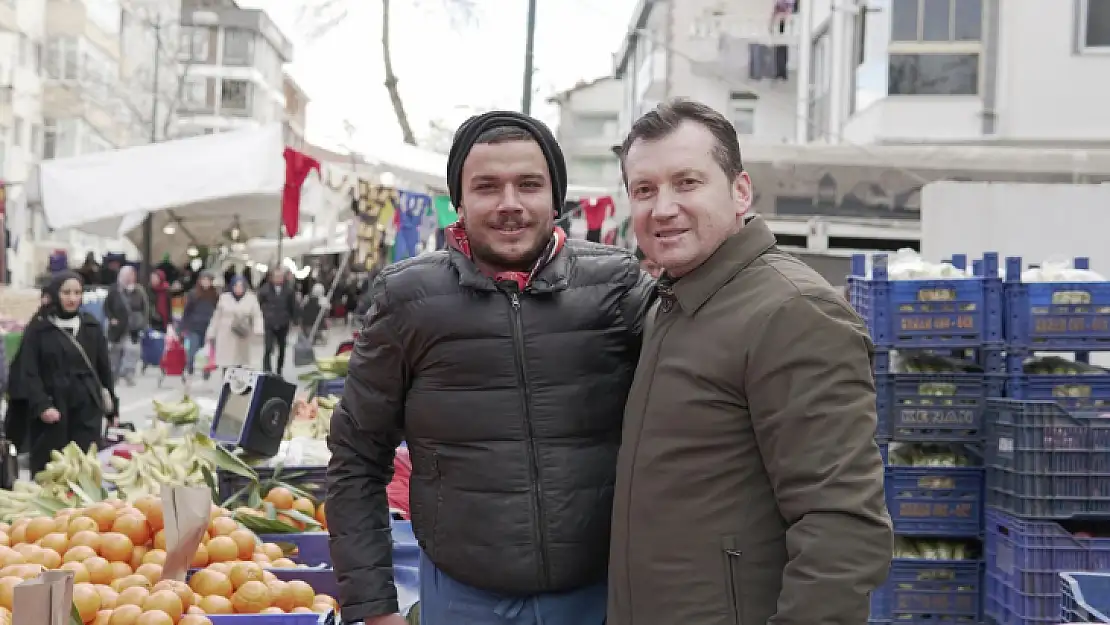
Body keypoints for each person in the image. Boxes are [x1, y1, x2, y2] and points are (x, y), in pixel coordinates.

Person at [326, 110, 654, 625]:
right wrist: (372, 605)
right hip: (464, 596)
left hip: (601, 594)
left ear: (555, 197)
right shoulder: (407, 299)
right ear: (459, 200)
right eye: (487, 187)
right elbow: (356, 457)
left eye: (529, 185)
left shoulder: (614, 286)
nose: (510, 205)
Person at [606, 98, 892, 625]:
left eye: (686, 182)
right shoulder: (672, 302)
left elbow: (842, 525)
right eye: (644, 190)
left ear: (740, 191)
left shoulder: (792, 311)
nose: (662, 207)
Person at [11, 272, 117, 475]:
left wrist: (112, 409)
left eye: (77, 292)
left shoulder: (90, 326)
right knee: (51, 470)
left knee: (85, 468)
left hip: (86, 407)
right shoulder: (40, 329)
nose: (72, 298)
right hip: (53, 409)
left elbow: (104, 369)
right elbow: (28, 371)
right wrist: (42, 405)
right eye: (66, 292)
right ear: (55, 294)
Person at [205, 275, 263, 371]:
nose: (238, 288)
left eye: (241, 286)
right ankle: (226, 382)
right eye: (236, 286)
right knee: (227, 361)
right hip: (226, 333)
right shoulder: (224, 298)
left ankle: (239, 383)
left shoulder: (251, 298)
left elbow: (257, 315)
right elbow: (216, 317)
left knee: (241, 362)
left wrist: (258, 329)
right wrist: (211, 332)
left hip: (243, 332)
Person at [103, 266, 148, 386]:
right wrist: (111, 318)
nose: (129, 278)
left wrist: (143, 323)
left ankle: (129, 374)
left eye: (131, 275)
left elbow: (144, 308)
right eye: (126, 275)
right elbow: (107, 307)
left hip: (133, 327)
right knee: (115, 352)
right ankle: (114, 375)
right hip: (117, 327)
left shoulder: (139, 291)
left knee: (132, 351)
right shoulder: (114, 290)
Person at [257, 268, 297, 376]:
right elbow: (259, 304)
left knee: (282, 348)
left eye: (280, 276)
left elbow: (292, 306)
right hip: (269, 322)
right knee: (268, 347)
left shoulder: (288, 290)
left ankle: (279, 370)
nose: (278, 279)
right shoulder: (265, 290)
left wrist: (294, 320)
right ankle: (267, 370)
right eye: (276, 276)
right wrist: (265, 314)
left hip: (283, 322)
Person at [181, 270, 219, 377]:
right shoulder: (193, 294)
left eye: (208, 280)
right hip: (194, 326)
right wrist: (184, 327)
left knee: (207, 351)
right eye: (204, 280)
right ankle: (189, 368)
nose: (206, 282)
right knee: (193, 349)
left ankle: (206, 369)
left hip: (209, 327)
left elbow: (218, 311)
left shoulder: (215, 295)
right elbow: (187, 311)